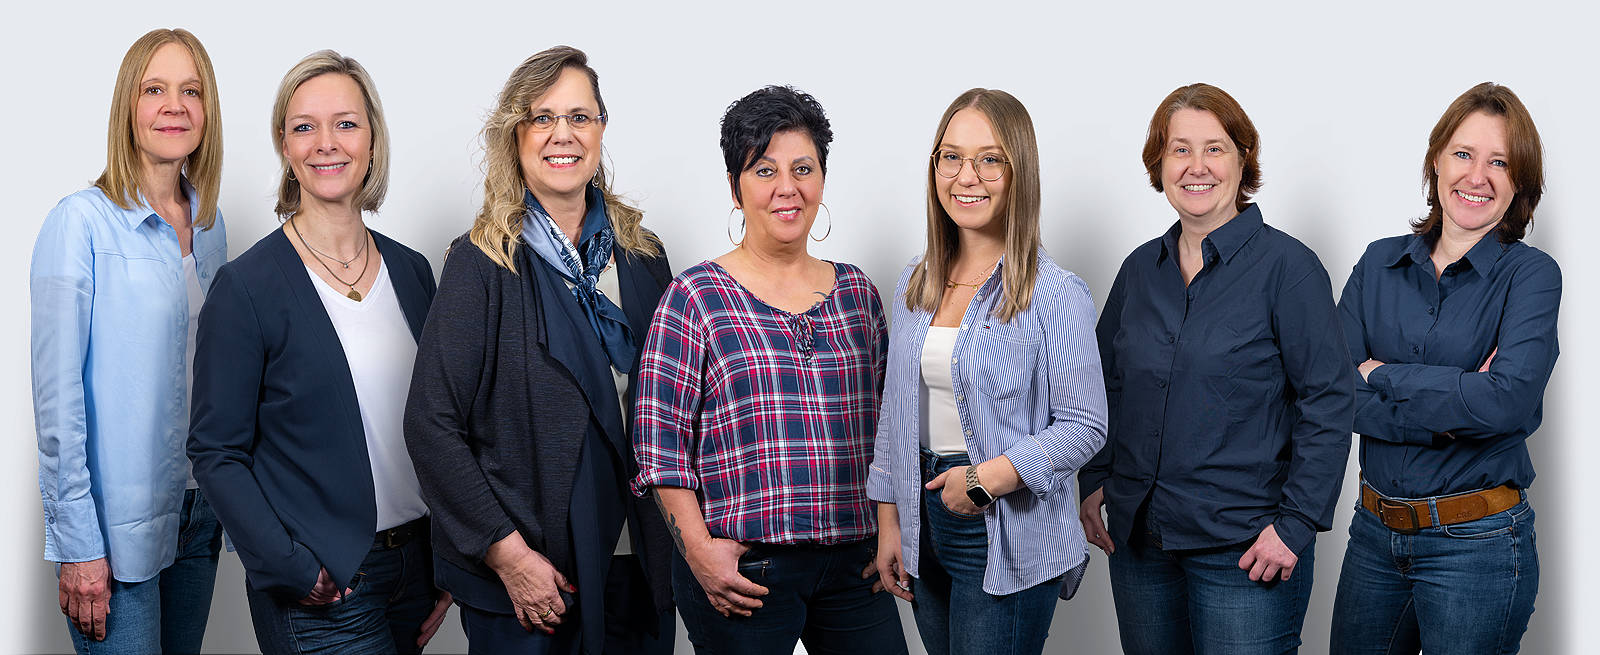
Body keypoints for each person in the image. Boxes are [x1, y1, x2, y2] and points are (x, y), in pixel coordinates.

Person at [403, 45, 676, 655]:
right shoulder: (482, 261)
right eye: (542, 117)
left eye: (580, 117)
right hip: (534, 575)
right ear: (515, 134)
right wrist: (508, 554)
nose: (563, 135)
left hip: (638, 565)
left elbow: (675, 411)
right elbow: (431, 425)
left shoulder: (643, 258)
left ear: (602, 130)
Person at [1077, 82, 1354, 655]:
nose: (1196, 166)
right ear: (1160, 163)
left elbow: (1327, 402)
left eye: (1215, 148)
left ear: (1242, 159)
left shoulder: (1290, 269)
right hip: (1141, 546)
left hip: (1246, 549)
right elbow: (1105, 381)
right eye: (1180, 149)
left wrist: (1296, 525)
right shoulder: (1139, 270)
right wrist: (1095, 480)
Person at [188, 50, 449, 655]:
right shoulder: (247, 287)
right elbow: (215, 450)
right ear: (285, 146)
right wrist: (290, 566)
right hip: (327, 584)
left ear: (373, 140)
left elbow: (442, 424)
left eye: (346, 123)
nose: (326, 143)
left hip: (416, 570)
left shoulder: (413, 272)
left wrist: (450, 554)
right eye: (304, 126)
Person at [631, 85, 908, 655]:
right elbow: (659, 445)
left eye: (802, 168)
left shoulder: (857, 293)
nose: (788, 188)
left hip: (854, 563)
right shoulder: (695, 297)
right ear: (736, 188)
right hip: (744, 570)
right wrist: (698, 550)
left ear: (822, 181)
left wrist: (891, 528)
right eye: (764, 170)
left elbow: (891, 429)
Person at [867, 88, 1107, 655]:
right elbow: (895, 415)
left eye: (989, 158)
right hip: (922, 520)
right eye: (951, 156)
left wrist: (984, 480)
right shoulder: (914, 283)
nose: (966, 176)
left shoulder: (1054, 294)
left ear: (1018, 171)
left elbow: (1085, 425)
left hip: (1002, 528)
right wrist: (890, 521)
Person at [1329, 82, 1557, 655]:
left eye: (1499, 162)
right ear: (1436, 160)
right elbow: (1331, 390)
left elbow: (1509, 403)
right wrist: (1459, 406)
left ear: (1518, 183)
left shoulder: (1531, 276)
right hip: (1373, 537)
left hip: (1476, 545)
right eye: (1463, 154)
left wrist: (1380, 373)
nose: (1477, 176)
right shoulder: (1378, 262)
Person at [30, 27, 227, 655]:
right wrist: (80, 545)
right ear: (128, 107)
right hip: (112, 531)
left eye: (191, 90)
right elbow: (57, 402)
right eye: (155, 89)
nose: (175, 105)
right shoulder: (78, 222)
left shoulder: (212, 224)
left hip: (200, 513)